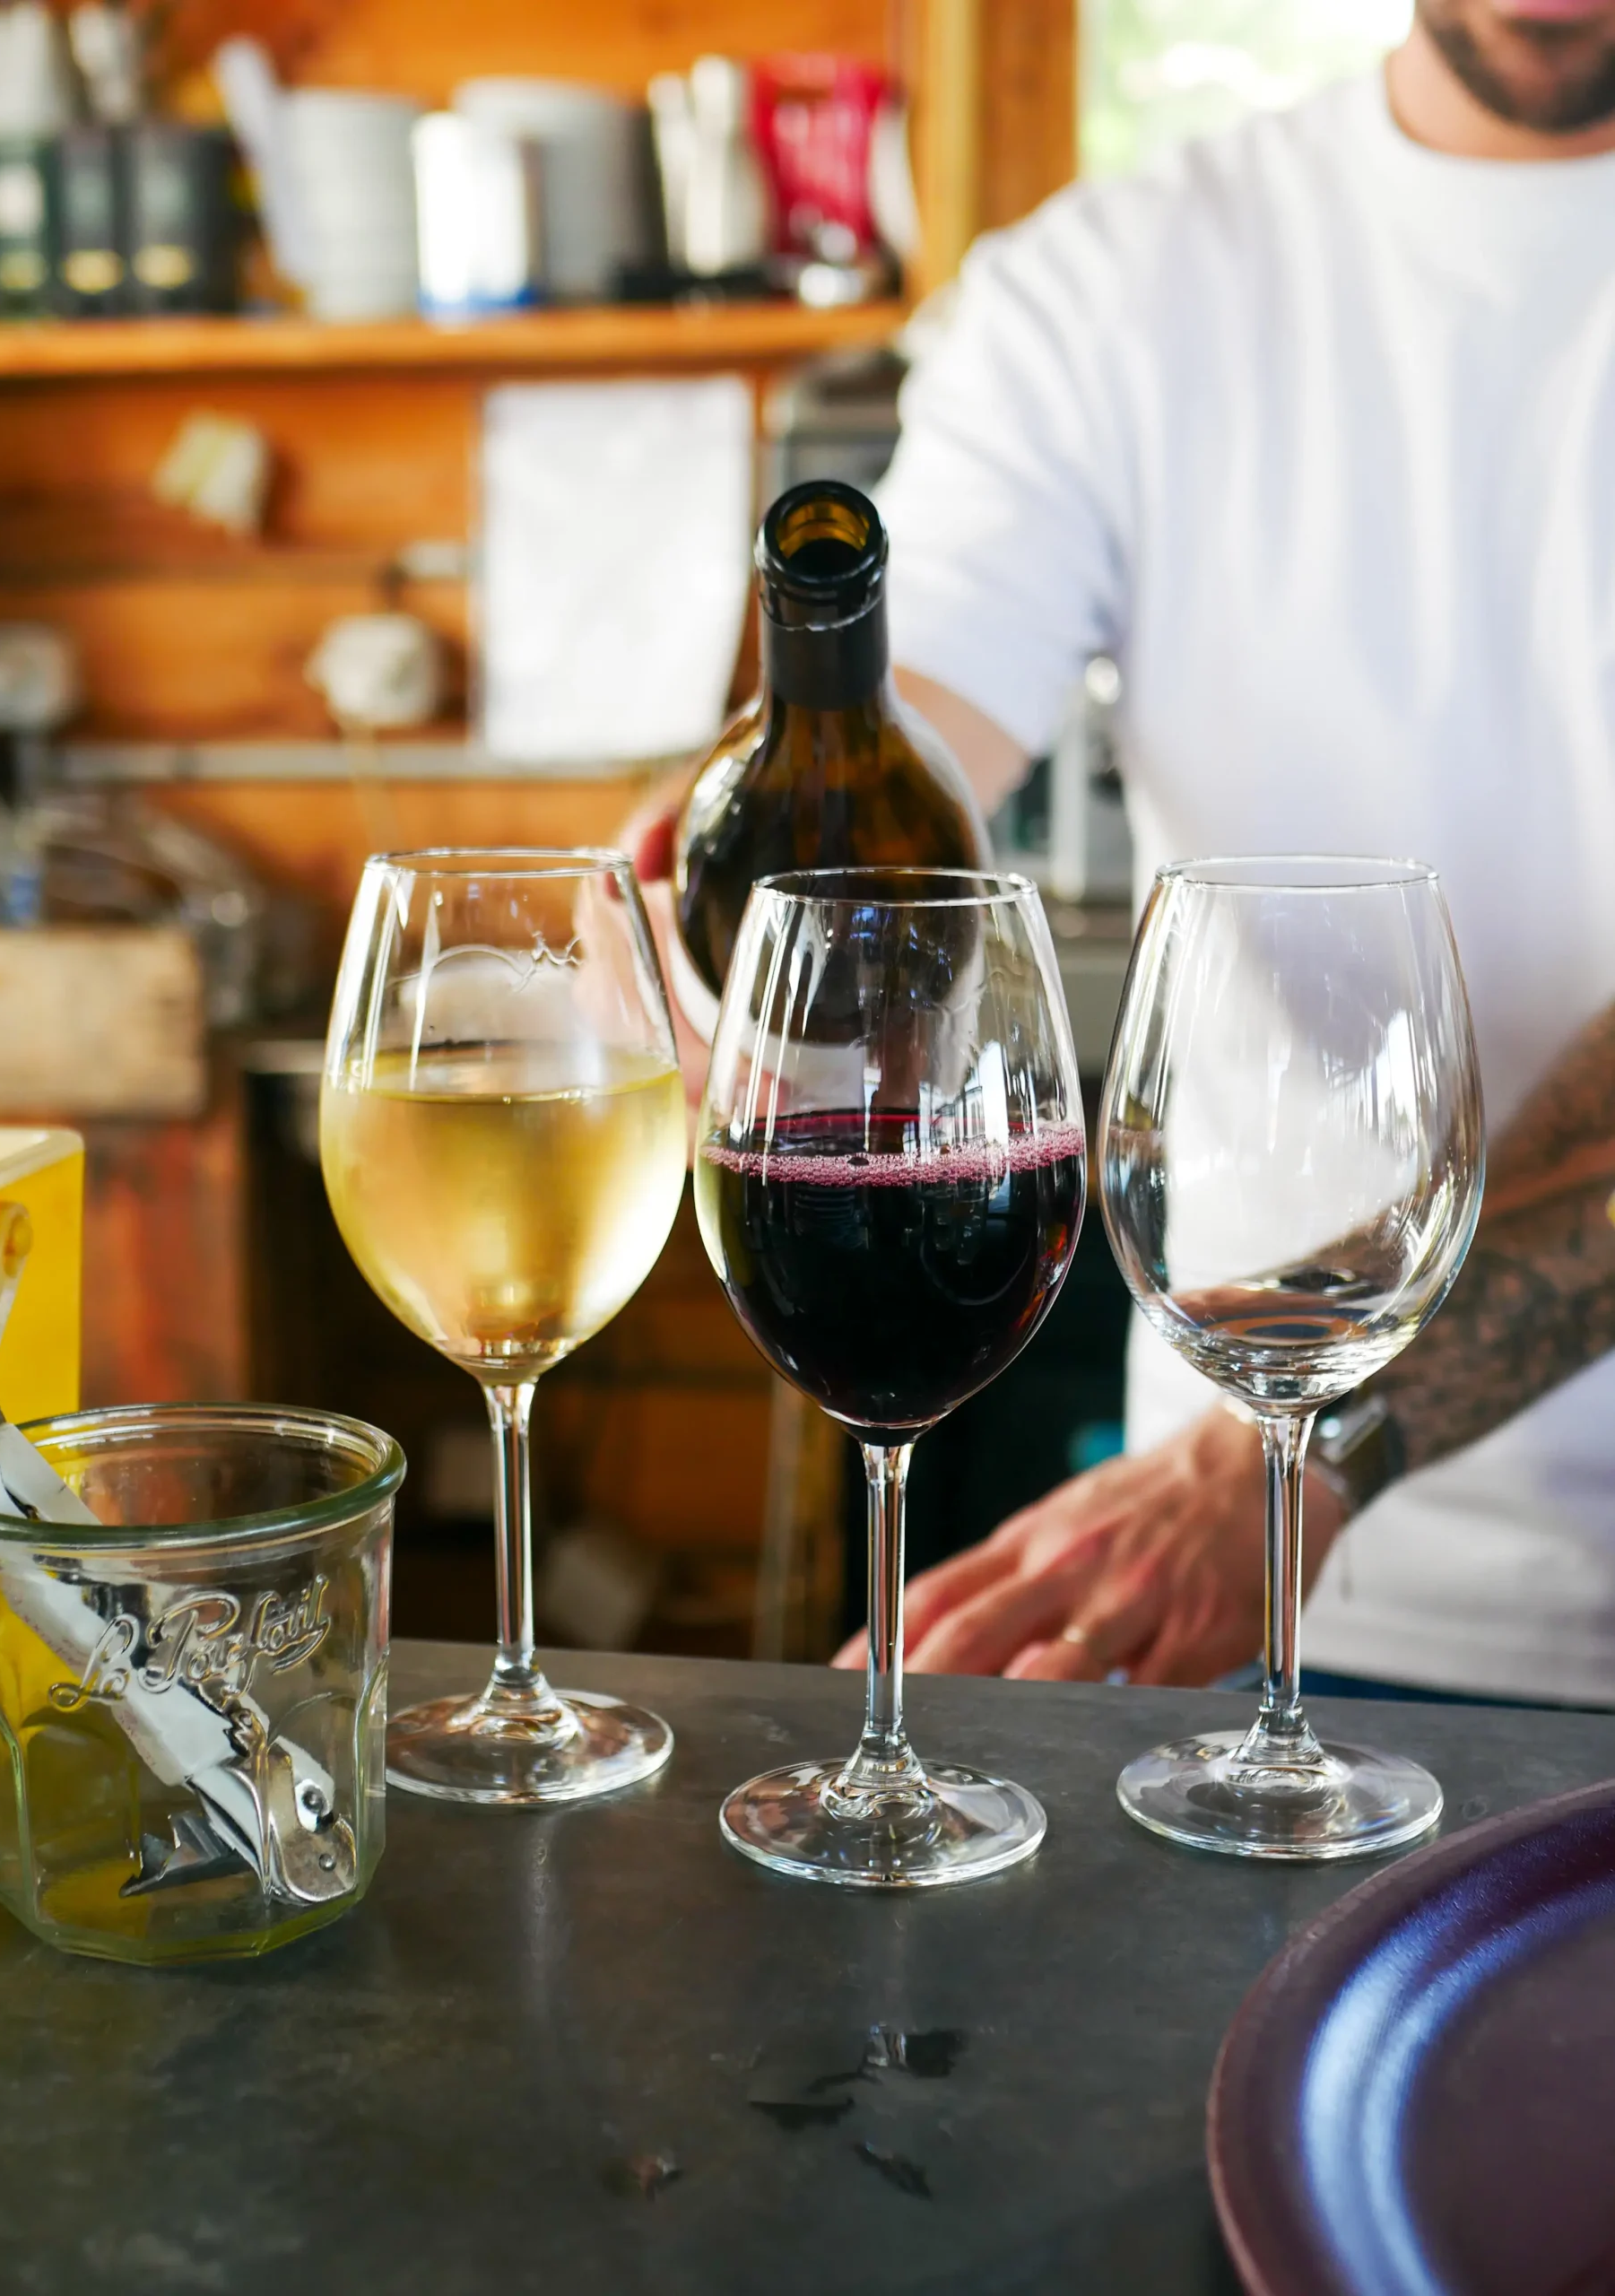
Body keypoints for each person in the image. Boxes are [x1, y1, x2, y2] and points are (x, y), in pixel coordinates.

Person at [635, 0, 1615, 1707]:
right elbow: (907, 733)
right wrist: (720, 867)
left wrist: (1314, 1445)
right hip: (1256, 1601)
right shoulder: (1113, 282)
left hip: (1260, 1489)